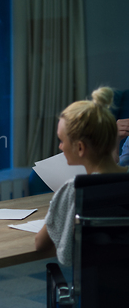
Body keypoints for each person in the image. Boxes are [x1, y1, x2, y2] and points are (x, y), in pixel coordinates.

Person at [35, 87, 128, 265]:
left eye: (62, 141)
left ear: (80, 148)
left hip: (98, 290)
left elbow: (40, 244)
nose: (60, 147)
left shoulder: (75, 189)